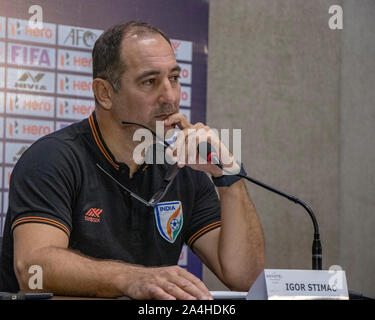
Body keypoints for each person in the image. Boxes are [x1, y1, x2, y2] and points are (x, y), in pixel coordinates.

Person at [0, 21, 265, 299]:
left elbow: (245, 278)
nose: (170, 97)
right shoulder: (52, 158)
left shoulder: (184, 165)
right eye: (150, 82)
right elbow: (32, 270)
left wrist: (229, 177)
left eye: (173, 78)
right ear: (104, 93)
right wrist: (131, 278)